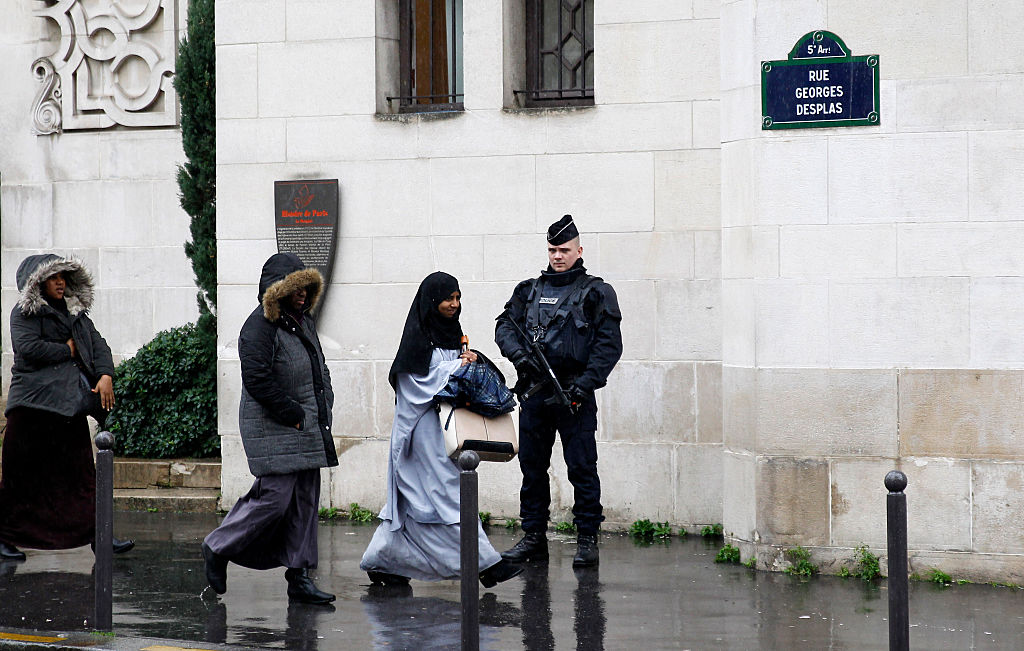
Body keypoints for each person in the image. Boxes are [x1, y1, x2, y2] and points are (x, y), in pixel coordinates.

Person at [360, 271, 522, 588]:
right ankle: (485, 565)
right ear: (432, 301)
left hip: (446, 431)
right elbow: (413, 385)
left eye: (458, 298)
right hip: (422, 433)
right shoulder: (417, 339)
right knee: (447, 495)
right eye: (448, 298)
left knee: (420, 501)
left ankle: (385, 561)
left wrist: (475, 360)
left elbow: (460, 376)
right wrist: (455, 368)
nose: (454, 304)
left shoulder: (453, 333)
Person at [202, 253, 337, 605]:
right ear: (276, 290)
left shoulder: (303, 322)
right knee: (275, 499)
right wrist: (291, 412)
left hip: (305, 423)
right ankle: (218, 546)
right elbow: (257, 379)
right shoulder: (259, 326)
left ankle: (300, 576)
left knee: (305, 500)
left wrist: (324, 405)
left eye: (306, 289)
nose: (303, 295)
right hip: (276, 425)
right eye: (296, 289)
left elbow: (317, 367)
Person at [495, 215, 622, 567]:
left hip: (574, 396)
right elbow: (505, 325)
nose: (557, 256)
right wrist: (520, 355)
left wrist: (584, 385)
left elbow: (608, 347)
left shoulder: (596, 292)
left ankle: (586, 538)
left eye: (564, 250)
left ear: (578, 250)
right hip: (535, 395)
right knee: (532, 468)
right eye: (552, 249)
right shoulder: (528, 291)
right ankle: (534, 536)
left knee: (581, 468)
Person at [0, 254, 134, 561]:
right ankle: (3, 537)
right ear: (38, 283)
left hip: (67, 407)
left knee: (83, 476)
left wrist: (105, 375)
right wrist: (66, 349)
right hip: (31, 408)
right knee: (20, 479)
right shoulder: (23, 313)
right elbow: (27, 349)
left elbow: (98, 345)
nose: (60, 282)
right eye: (53, 278)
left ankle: (100, 535)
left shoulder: (77, 314)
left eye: (63, 277)